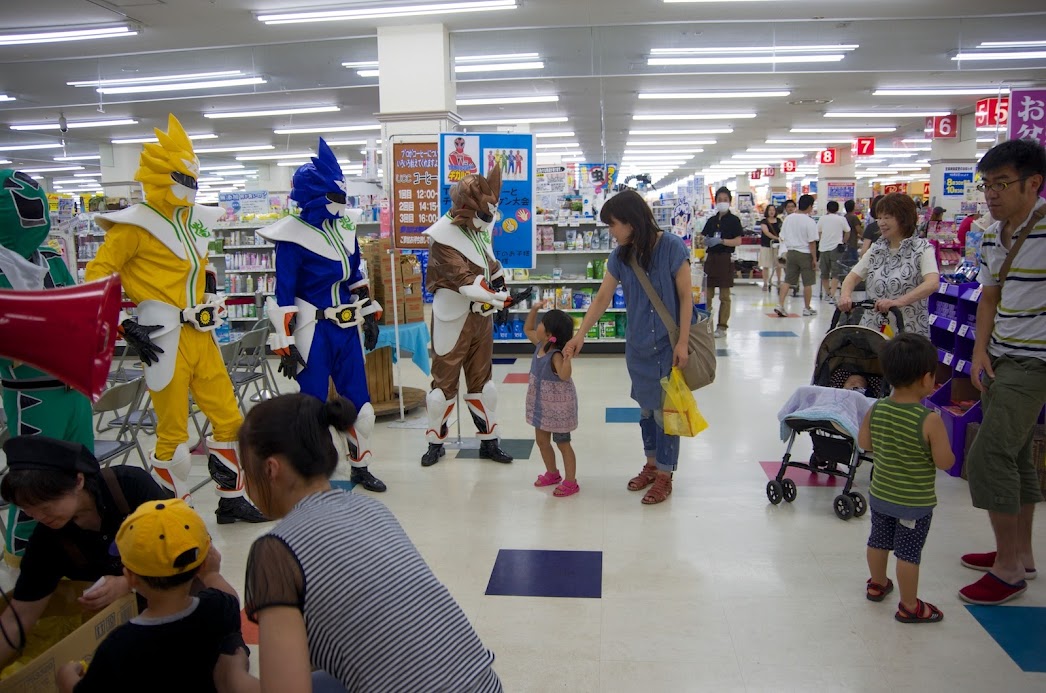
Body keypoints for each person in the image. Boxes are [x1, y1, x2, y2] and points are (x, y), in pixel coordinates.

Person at [236, 394, 502, 692]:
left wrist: (232, 677)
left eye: (246, 470)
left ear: (271, 469)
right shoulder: (370, 508)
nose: (246, 485)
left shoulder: (275, 551)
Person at [84, 114, 264, 524]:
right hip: (160, 337)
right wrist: (123, 325)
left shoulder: (191, 222)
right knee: (172, 432)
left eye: (194, 179)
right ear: (163, 178)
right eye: (185, 179)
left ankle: (231, 500)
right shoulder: (132, 226)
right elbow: (98, 276)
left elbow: (204, 269)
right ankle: (171, 513)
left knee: (229, 419)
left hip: (201, 335)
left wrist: (213, 296)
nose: (193, 188)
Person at [259, 139, 386, 493]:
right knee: (311, 409)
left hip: (345, 328)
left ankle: (360, 466)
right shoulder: (291, 236)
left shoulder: (345, 230)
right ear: (316, 195)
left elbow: (356, 276)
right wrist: (284, 342)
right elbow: (283, 291)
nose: (343, 205)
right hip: (311, 330)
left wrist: (369, 314)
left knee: (361, 408)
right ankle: (314, 475)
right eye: (336, 197)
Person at [563, 190, 695, 505]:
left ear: (631, 222)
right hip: (638, 347)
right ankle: (651, 464)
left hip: (668, 346)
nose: (611, 232)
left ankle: (665, 475)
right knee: (647, 411)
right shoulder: (620, 256)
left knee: (668, 414)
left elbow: (687, 298)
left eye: (613, 225)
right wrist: (580, 334)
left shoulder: (673, 248)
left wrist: (683, 342)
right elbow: (602, 298)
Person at [960, 138, 1046, 606]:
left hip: (1035, 362)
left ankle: (1008, 569)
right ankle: (1021, 554)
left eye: (1001, 184)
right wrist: (978, 351)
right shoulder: (993, 233)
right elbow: (989, 297)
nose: (991, 194)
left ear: (1033, 183)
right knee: (1013, 455)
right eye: (986, 184)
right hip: (999, 356)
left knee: (988, 454)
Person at [0, 436, 170, 668]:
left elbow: (188, 551)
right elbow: (18, 617)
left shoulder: (129, 487)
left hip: (176, 607)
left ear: (78, 480)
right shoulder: (48, 540)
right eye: (28, 510)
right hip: (122, 631)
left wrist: (129, 582)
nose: (38, 517)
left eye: (45, 506)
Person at [0, 169, 95, 565]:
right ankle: (25, 558)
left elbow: (75, 308)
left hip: (74, 386)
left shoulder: (53, 259)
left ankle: (78, 548)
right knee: (36, 484)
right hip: (32, 392)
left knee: (83, 476)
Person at [56, 499, 247, 693]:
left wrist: (67, 680)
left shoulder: (120, 644)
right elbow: (230, 598)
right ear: (203, 564)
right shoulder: (217, 609)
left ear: (130, 578)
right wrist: (212, 574)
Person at [420, 167, 523, 467]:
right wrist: (499, 297)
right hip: (452, 318)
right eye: (485, 214)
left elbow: (491, 265)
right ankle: (435, 443)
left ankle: (489, 442)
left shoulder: (477, 231)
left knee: (485, 386)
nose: (489, 222)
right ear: (466, 209)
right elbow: (466, 281)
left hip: (481, 319)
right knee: (442, 388)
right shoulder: (443, 238)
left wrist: (502, 292)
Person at [858, 333, 955, 623]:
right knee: (908, 554)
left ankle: (877, 584)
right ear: (926, 378)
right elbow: (944, 461)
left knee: (877, 540)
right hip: (913, 502)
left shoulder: (877, 409)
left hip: (881, 495)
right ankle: (910, 605)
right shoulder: (929, 419)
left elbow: (865, 443)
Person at [838, 193, 940, 336]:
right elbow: (853, 277)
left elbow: (932, 283)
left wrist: (898, 302)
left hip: (907, 332)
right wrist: (845, 296)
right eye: (879, 218)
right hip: (873, 331)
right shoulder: (877, 248)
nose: (881, 223)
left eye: (887, 217)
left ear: (904, 219)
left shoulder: (922, 249)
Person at [523, 302, 579, 497]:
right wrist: (534, 309)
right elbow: (527, 328)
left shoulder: (555, 355)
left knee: (563, 443)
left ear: (549, 334)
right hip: (541, 406)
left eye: (542, 323)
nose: (537, 325)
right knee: (542, 441)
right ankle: (553, 473)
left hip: (558, 409)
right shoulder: (540, 345)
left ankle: (571, 482)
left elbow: (564, 376)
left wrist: (567, 359)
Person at [701, 187, 743, 338]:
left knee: (725, 296)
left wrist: (722, 241)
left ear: (729, 202)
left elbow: (738, 241)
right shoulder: (711, 221)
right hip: (711, 259)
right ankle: (706, 324)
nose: (722, 203)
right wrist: (707, 241)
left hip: (726, 259)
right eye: (719, 200)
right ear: (715, 201)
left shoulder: (734, 221)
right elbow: (703, 238)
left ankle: (722, 326)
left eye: (725, 200)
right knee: (707, 295)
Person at [776, 194, 819, 317]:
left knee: (788, 280)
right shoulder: (809, 221)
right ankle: (807, 308)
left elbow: (782, 236)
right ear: (810, 206)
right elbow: (812, 242)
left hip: (791, 253)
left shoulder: (788, 219)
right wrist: (814, 259)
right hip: (805, 253)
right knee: (807, 282)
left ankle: (780, 305)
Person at [818, 200, 851, 303]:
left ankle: (827, 293)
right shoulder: (841, 219)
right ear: (837, 209)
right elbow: (848, 231)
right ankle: (832, 295)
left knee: (824, 273)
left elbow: (819, 232)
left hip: (823, 248)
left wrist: (821, 241)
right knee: (835, 273)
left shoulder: (822, 219)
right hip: (836, 248)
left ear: (827, 209)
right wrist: (843, 242)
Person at [759, 204, 782, 292]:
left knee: (778, 265)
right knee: (766, 265)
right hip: (766, 245)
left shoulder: (779, 221)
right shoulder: (764, 222)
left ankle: (779, 281)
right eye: (770, 210)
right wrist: (776, 238)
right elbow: (766, 232)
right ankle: (765, 283)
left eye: (773, 210)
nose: (772, 212)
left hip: (777, 246)